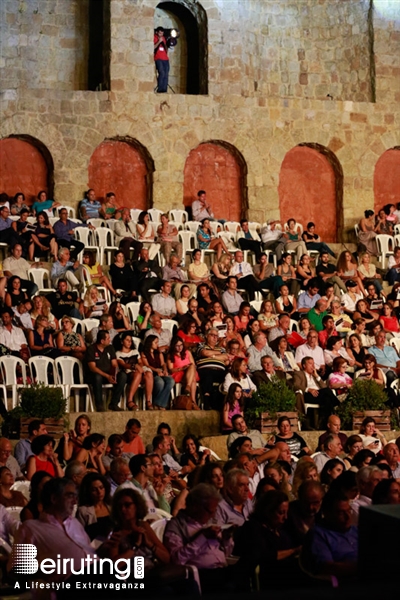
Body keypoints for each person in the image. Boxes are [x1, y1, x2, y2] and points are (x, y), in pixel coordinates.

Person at [164, 483, 235, 593]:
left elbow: (226, 554)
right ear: (195, 506)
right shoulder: (177, 525)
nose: (212, 515)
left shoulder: (208, 522)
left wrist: (226, 538)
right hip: (201, 574)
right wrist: (202, 537)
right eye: (210, 511)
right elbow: (177, 559)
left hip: (221, 570)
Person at [234, 489, 301, 591]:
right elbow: (265, 556)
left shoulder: (281, 529)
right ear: (268, 511)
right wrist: (293, 551)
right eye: (281, 513)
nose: (285, 517)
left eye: (286, 513)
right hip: (268, 580)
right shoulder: (253, 528)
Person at [301, 491, 358, 581]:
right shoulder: (318, 535)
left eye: (349, 510)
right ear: (327, 514)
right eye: (341, 513)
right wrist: (361, 567)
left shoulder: (355, 531)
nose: (348, 516)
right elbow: (327, 567)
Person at [85, 330, 125, 412]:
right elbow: (93, 368)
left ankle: (114, 403)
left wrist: (115, 373)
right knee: (97, 377)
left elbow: (114, 363)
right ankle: (99, 405)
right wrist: (107, 376)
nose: (110, 340)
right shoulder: (91, 349)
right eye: (108, 338)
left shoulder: (110, 348)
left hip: (108, 374)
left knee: (122, 376)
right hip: (94, 375)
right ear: (102, 341)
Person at [292, 357, 337, 428]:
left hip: (319, 395)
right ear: (304, 365)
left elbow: (324, 386)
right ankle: (337, 405)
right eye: (310, 364)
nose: (313, 366)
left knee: (327, 398)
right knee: (327, 391)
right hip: (308, 395)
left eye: (313, 364)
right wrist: (308, 389)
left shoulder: (315, 375)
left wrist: (317, 376)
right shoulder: (298, 374)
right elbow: (296, 385)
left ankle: (325, 424)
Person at [115, 332, 153, 411]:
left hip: (139, 370)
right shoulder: (118, 353)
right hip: (128, 373)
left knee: (148, 374)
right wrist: (134, 366)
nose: (129, 342)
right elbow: (123, 365)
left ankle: (148, 401)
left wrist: (141, 367)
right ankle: (130, 400)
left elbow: (140, 362)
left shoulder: (135, 351)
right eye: (127, 340)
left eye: (131, 340)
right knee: (138, 373)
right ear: (122, 341)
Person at [196, 328, 230, 409]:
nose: (215, 337)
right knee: (208, 375)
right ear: (207, 336)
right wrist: (218, 355)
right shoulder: (201, 345)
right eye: (212, 335)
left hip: (220, 370)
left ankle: (223, 401)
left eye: (216, 336)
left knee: (228, 376)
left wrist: (212, 356)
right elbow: (204, 352)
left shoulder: (222, 349)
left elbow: (226, 358)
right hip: (205, 370)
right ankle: (207, 401)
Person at [141, 334, 175, 410]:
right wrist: (156, 370)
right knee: (160, 382)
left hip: (161, 372)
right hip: (153, 373)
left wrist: (165, 370)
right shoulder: (144, 353)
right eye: (156, 342)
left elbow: (163, 363)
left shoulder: (158, 353)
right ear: (150, 343)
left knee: (171, 381)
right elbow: (147, 365)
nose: (157, 344)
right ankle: (161, 405)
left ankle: (158, 403)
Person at [76, 472, 112, 541]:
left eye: (101, 487)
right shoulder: (83, 511)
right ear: (88, 492)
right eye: (94, 490)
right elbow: (79, 536)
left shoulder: (112, 506)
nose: (99, 492)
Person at [167, 337, 200, 409]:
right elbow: (171, 370)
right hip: (179, 373)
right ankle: (193, 402)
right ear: (173, 346)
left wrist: (187, 367)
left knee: (192, 368)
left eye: (181, 345)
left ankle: (188, 389)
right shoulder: (171, 355)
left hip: (190, 372)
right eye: (177, 346)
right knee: (193, 379)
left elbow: (193, 364)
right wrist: (182, 368)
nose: (180, 347)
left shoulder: (187, 352)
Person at [154, 26, 170, 93]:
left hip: (165, 59)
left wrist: (165, 44)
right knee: (162, 73)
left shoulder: (164, 38)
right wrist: (159, 41)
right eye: (160, 33)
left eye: (162, 33)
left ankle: (164, 90)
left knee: (166, 74)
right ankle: (160, 89)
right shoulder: (154, 37)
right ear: (157, 32)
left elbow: (166, 49)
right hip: (158, 58)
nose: (161, 34)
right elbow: (153, 47)